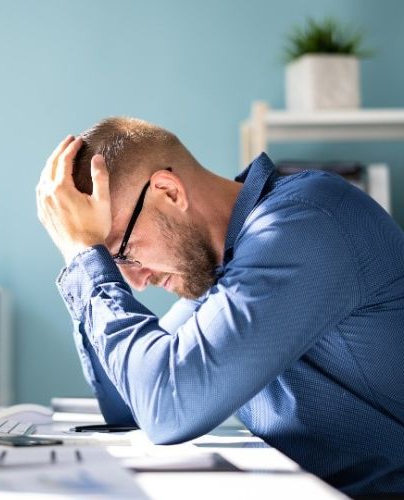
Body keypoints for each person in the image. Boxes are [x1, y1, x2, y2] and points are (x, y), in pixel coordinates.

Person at [35, 117, 404, 495]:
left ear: (168, 192)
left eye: (125, 253)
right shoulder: (224, 264)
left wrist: (86, 259)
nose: (135, 283)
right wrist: (84, 259)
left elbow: (167, 407)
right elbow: (126, 404)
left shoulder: (302, 223)